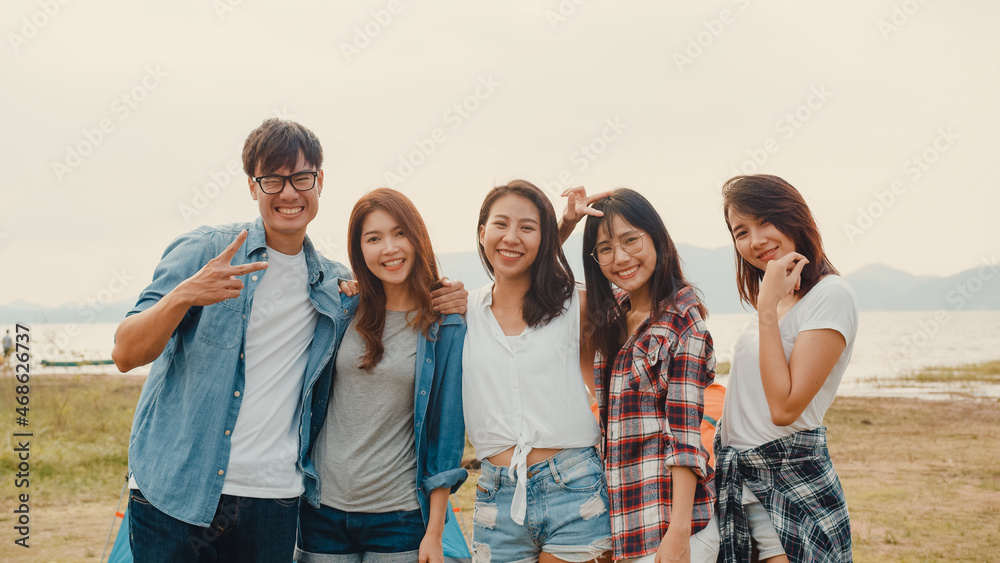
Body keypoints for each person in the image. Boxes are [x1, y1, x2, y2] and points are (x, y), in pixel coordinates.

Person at [111, 119, 467, 563]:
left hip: (273, 499)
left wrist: (449, 295)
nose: (288, 193)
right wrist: (186, 293)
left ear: (319, 182)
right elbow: (125, 353)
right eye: (272, 179)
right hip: (178, 490)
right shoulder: (206, 250)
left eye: (301, 178)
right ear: (251, 185)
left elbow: (393, 298)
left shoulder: (335, 286)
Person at [296, 188, 467, 563]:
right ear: (359, 251)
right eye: (373, 238)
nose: (389, 248)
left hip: (400, 516)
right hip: (321, 511)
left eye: (399, 233)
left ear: (417, 237)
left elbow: (446, 434)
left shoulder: (445, 325)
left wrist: (434, 534)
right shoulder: (341, 310)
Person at [463, 180, 612, 563]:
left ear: (544, 239)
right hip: (497, 494)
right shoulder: (460, 312)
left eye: (528, 227)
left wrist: (561, 226)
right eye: (500, 224)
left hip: (575, 487)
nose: (511, 236)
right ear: (482, 233)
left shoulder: (576, 305)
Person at [716, 174, 857, 562]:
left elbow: (785, 407)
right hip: (739, 488)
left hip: (788, 487)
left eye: (764, 221)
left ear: (793, 217)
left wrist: (765, 309)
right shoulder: (776, 303)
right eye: (740, 231)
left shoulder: (830, 294)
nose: (755, 239)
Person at [579, 188, 719, 563]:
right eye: (605, 248)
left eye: (630, 240)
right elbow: (543, 289)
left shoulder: (683, 320)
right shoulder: (614, 314)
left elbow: (685, 437)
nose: (620, 257)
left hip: (670, 528)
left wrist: (678, 533)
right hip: (627, 526)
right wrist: (566, 223)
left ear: (656, 238)